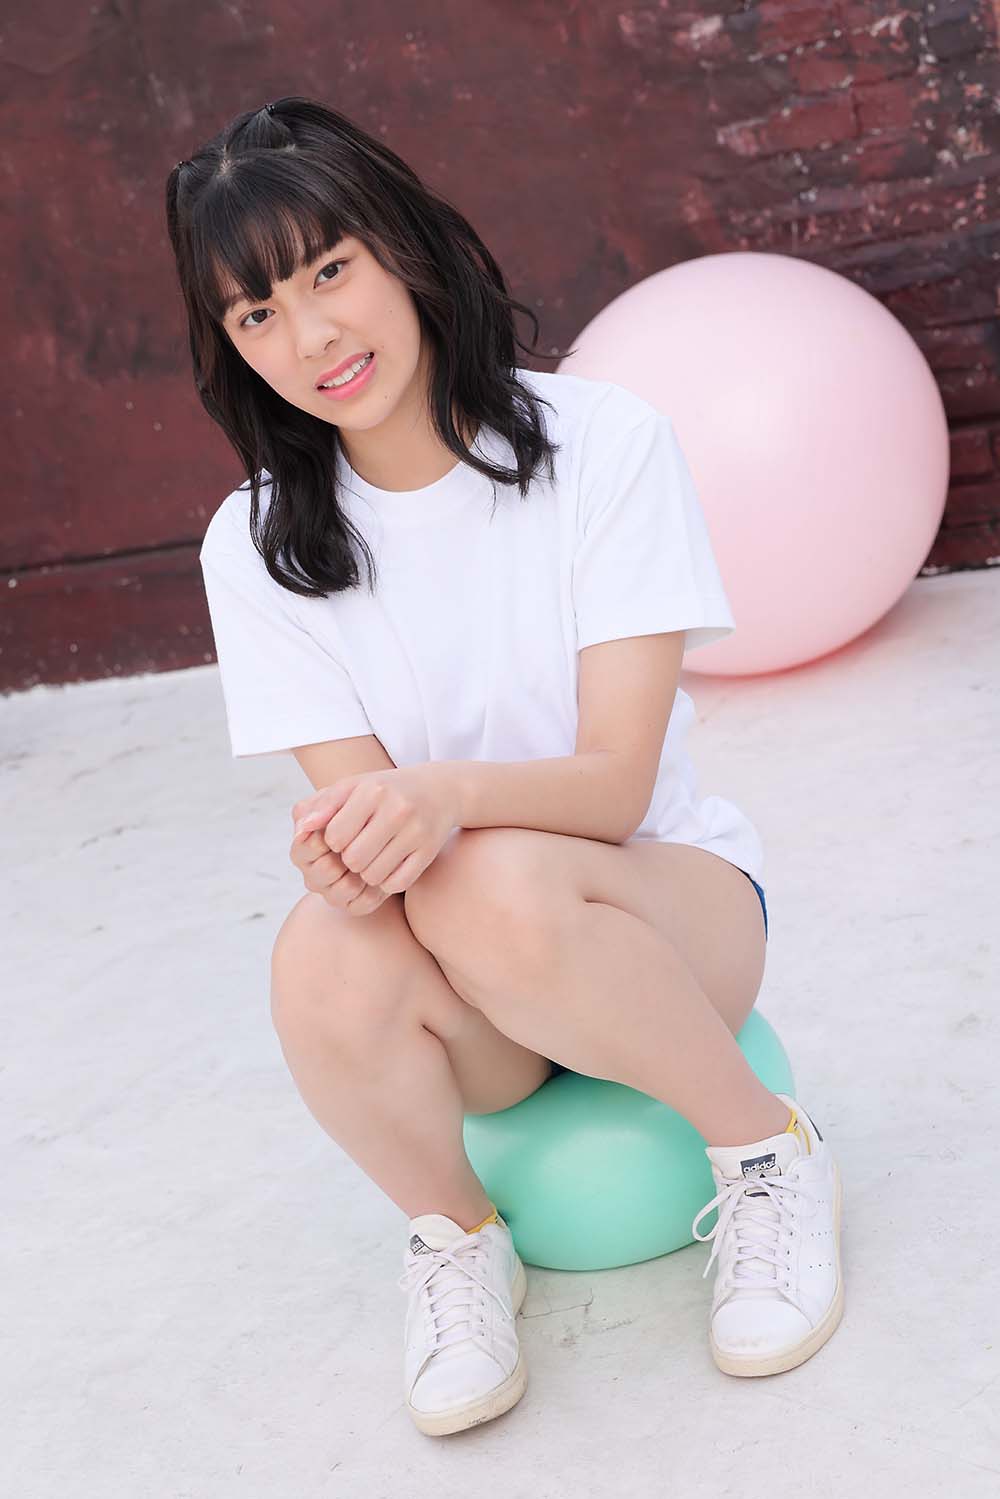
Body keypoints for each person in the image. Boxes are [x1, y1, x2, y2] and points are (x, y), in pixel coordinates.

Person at [166, 95, 844, 1437]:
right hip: (479, 989)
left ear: (403, 246)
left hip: (669, 907)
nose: (311, 338)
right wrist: (351, 854)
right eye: (257, 314)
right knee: (317, 952)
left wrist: (439, 804)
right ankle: (459, 1238)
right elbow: (369, 822)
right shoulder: (253, 547)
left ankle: (768, 1147)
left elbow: (614, 784)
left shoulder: (602, 443)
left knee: (488, 882)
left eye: (329, 271)